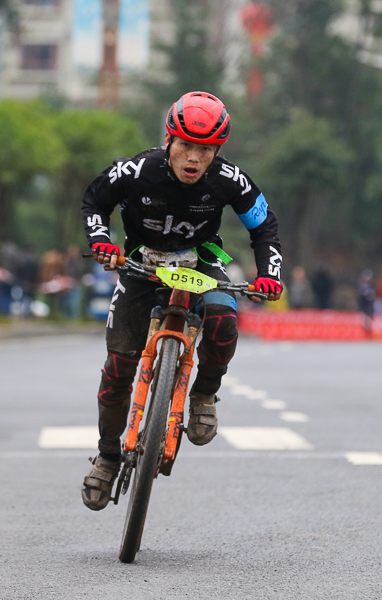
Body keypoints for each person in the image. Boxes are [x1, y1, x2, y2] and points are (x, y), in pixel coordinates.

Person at [80, 91, 282, 510]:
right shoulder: (137, 170)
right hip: (141, 264)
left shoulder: (230, 180)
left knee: (225, 318)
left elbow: (265, 227)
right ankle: (107, 456)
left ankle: (204, 395)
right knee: (118, 369)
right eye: (185, 146)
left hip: (199, 262)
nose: (193, 158)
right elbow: (94, 201)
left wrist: (269, 276)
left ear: (217, 151)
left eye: (205, 150)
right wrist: (101, 241)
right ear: (169, 140)